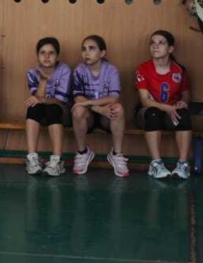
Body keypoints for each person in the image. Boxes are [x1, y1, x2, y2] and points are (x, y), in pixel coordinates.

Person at [135, 31, 192, 180]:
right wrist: (167, 108)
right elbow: (145, 100)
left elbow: (186, 93)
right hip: (149, 112)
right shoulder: (143, 68)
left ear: (170, 49)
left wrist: (183, 102)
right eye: (152, 43)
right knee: (153, 113)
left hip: (171, 113)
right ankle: (156, 164)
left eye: (161, 43)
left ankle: (183, 164)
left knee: (183, 114)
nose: (155, 46)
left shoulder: (179, 69)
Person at [71, 35, 129, 178]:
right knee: (78, 110)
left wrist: (92, 104)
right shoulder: (79, 70)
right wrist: (97, 108)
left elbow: (114, 97)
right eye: (84, 49)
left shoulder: (111, 70)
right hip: (89, 115)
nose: (86, 53)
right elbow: (78, 98)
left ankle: (116, 154)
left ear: (102, 53)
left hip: (106, 116)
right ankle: (83, 152)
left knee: (118, 109)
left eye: (91, 49)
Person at [24, 37, 71, 176]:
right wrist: (43, 80)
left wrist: (42, 100)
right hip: (42, 111)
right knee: (33, 107)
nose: (46, 56)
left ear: (57, 57)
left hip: (62, 113)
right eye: (42, 52)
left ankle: (57, 160)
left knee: (53, 109)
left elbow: (61, 101)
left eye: (51, 53)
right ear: (37, 56)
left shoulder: (64, 70)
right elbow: (36, 99)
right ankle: (32, 158)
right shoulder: (32, 73)